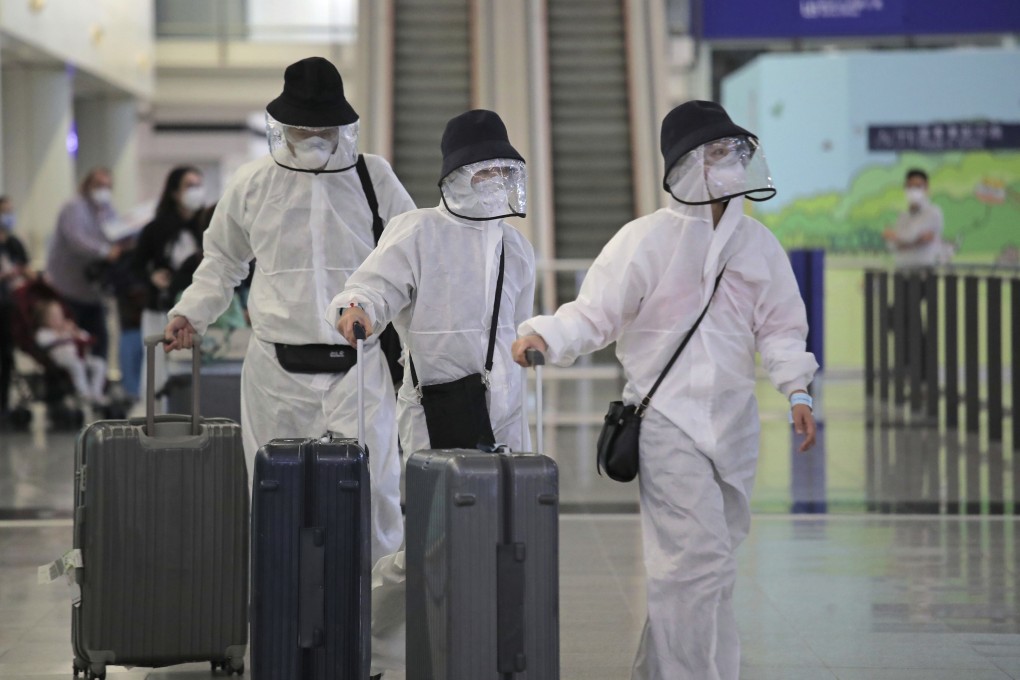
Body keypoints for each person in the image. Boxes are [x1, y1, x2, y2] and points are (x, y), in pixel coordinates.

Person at [512, 100, 818, 680]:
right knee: (696, 566)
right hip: (666, 423)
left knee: (709, 567)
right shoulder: (645, 240)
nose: (730, 163)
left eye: (735, 152)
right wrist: (544, 336)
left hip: (733, 426)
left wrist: (797, 390)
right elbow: (595, 313)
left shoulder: (757, 246)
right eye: (716, 152)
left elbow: (781, 327)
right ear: (686, 165)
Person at [163, 57, 414, 572]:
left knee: (374, 493)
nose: (313, 138)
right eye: (303, 128)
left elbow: (408, 257)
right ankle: (279, 605)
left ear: (342, 124)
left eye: (323, 128)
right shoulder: (254, 182)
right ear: (284, 124)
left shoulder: (373, 177)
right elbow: (223, 261)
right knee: (275, 492)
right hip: (276, 371)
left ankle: (377, 614)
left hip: (358, 366)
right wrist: (192, 313)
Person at [332, 109, 535, 677]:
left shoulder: (516, 248)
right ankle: (367, 627)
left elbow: (518, 330)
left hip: (505, 413)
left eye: (503, 171)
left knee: (503, 536)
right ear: (456, 175)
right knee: (433, 542)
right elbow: (371, 287)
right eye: (483, 171)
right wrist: (357, 311)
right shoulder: (418, 231)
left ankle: (481, 650)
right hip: (435, 410)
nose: (495, 182)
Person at [133, 166, 206, 400]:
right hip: (160, 307)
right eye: (189, 185)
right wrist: (152, 277)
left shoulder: (207, 227)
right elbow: (134, 267)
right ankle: (155, 414)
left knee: (195, 368)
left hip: (197, 309)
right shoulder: (155, 229)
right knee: (157, 365)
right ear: (175, 192)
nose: (196, 191)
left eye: (198, 185)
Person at [45, 167, 123, 369]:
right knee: (70, 344)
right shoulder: (74, 207)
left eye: (107, 186)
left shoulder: (107, 210)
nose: (103, 190)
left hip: (93, 292)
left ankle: (99, 384)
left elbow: (115, 233)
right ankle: (72, 384)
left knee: (100, 341)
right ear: (87, 185)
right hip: (67, 289)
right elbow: (77, 240)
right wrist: (105, 251)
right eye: (99, 185)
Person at [34, 299, 107, 406]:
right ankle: (83, 393)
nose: (57, 319)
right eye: (53, 316)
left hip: (80, 357)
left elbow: (86, 337)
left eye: (59, 315)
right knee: (77, 364)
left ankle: (96, 392)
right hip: (61, 359)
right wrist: (60, 334)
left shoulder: (69, 329)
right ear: (45, 319)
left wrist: (75, 332)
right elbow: (42, 342)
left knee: (99, 364)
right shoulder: (45, 332)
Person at [0, 196, 31, 419]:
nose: (8, 216)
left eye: (10, 211)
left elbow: (26, 269)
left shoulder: (14, 244)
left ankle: (3, 404)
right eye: (4, 211)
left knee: (6, 355)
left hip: (11, 308)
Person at [883, 168, 944, 268]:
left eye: (918, 186)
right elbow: (892, 246)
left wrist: (896, 237)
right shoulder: (903, 215)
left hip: (924, 269)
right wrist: (902, 240)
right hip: (901, 268)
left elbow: (912, 236)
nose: (913, 191)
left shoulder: (933, 212)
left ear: (926, 188)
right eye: (910, 187)